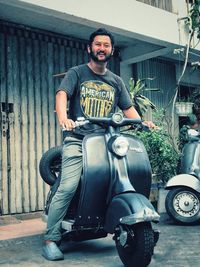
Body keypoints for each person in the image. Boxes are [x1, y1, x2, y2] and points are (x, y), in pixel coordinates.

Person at [42, 28, 155, 261]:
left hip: (106, 141)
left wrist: (142, 123)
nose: (101, 48)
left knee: (124, 175)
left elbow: (129, 110)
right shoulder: (77, 73)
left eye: (106, 45)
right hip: (78, 139)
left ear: (111, 50)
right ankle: (52, 238)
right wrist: (64, 118)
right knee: (68, 186)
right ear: (89, 48)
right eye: (97, 44)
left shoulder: (116, 81)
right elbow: (62, 94)